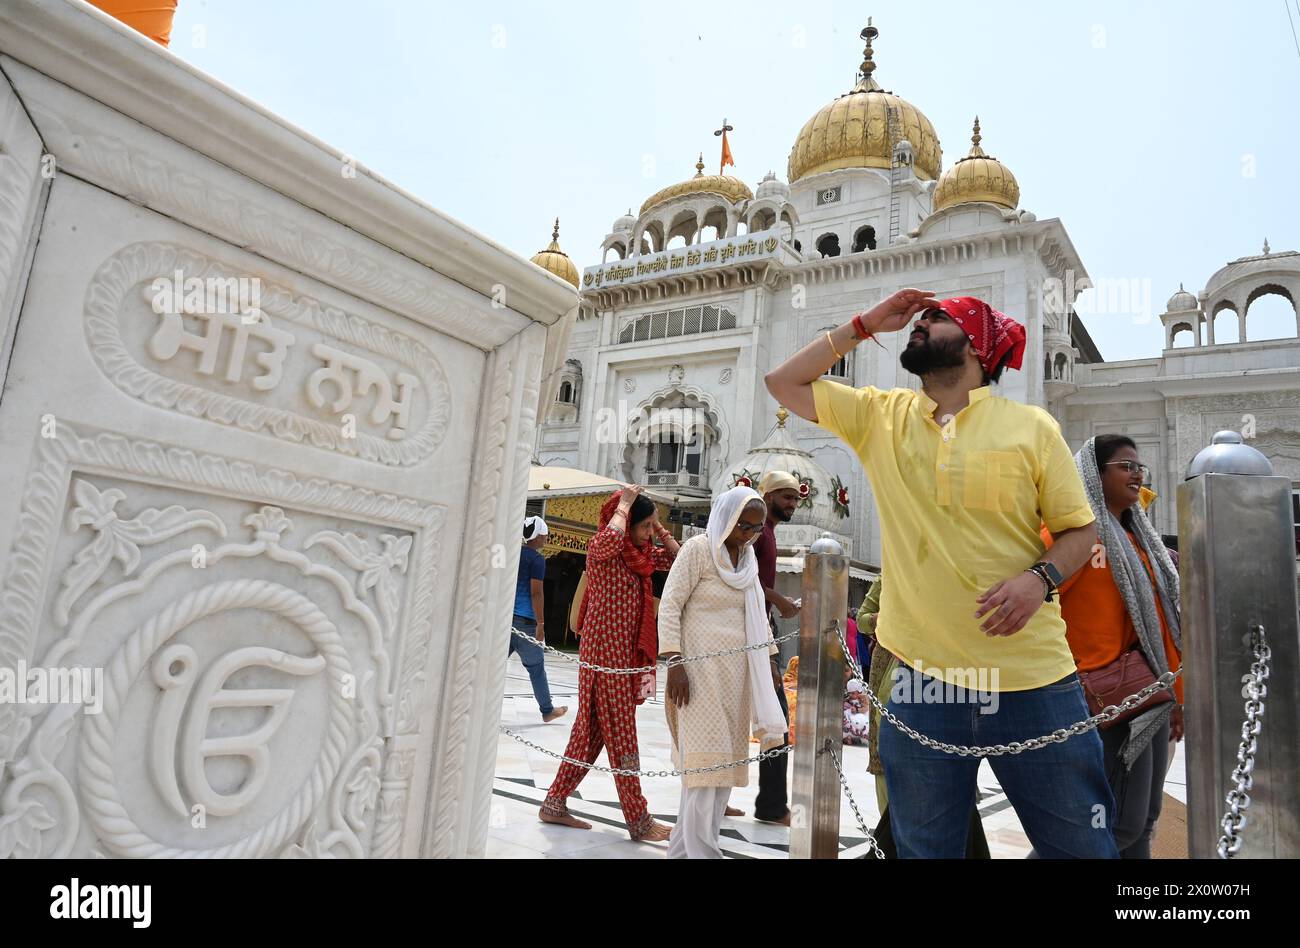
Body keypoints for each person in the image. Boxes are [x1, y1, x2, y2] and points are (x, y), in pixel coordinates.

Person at [766, 289, 1118, 859]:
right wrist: (864, 323)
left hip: (1032, 681)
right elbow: (783, 384)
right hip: (921, 682)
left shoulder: (1031, 428)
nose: (920, 324)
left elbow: (1080, 531)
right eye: (920, 318)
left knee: (1082, 848)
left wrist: (1039, 579)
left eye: (938, 318)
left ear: (978, 345)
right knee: (927, 852)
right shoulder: (883, 416)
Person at [1044, 434, 1183, 859]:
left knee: (1143, 823)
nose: (1136, 474)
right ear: (1093, 473)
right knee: (1114, 825)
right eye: (1124, 465)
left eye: (1139, 466)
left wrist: (1178, 696)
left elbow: (1160, 623)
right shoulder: (1070, 536)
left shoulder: (1143, 540)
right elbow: (1040, 607)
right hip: (1098, 698)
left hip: (1149, 690)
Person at [540, 486, 677, 842]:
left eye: (651, 527)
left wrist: (660, 528)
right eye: (644, 525)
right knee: (621, 733)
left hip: (623, 658)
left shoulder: (641, 555)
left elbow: (678, 559)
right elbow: (607, 540)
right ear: (626, 520)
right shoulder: (604, 549)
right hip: (604, 656)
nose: (649, 534)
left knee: (590, 733)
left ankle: (554, 803)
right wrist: (626, 504)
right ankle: (638, 819)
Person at [659, 486, 787, 858]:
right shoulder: (699, 550)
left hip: (737, 678)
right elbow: (670, 605)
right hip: (696, 676)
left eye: (756, 529)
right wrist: (674, 661)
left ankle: (683, 852)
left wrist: (772, 663)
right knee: (703, 769)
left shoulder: (748, 560)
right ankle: (705, 853)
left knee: (723, 771)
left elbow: (758, 616)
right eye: (743, 526)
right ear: (726, 519)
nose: (748, 535)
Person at [750, 470, 802, 825]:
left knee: (744, 721)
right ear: (768, 497)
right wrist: (779, 601)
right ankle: (771, 806)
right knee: (776, 721)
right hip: (752, 634)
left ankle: (716, 797)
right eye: (787, 497)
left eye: (796, 499)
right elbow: (742, 579)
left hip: (757, 629)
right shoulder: (758, 533)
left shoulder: (767, 533)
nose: (793, 505)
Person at [509, 517, 567, 723]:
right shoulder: (537, 560)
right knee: (536, 669)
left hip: (505, 621)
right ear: (539, 535)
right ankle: (547, 710)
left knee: (490, 666)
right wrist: (541, 624)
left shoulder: (512, 553)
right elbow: (536, 593)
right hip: (525, 623)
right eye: (546, 535)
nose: (547, 539)